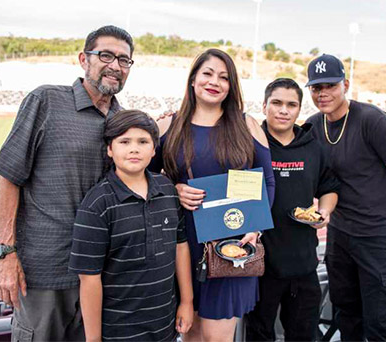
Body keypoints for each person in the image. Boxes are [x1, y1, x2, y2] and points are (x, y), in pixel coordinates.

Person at [0, 25, 132, 341]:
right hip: (44, 273)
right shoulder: (46, 101)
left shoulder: (124, 123)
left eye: (124, 60)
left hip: (99, 275)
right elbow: (9, 178)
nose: (115, 65)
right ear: (84, 59)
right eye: (106, 55)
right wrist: (7, 255)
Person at [149, 48, 275, 342]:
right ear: (193, 79)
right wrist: (174, 190)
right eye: (207, 73)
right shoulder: (168, 125)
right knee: (190, 335)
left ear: (231, 86)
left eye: (224, 77)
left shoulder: (246, 125)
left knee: (217, 337)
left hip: (230, 244)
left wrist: (255, 227)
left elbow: (267, 181)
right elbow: (144, 181)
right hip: (181, 246)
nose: (214, 82)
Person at [69, 110, 193, 341]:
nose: (134, 149)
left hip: (164, 327)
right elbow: (89, 279)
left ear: (154, 149)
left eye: (143, 142)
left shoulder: (167, 189)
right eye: (124, 142)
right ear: (109, 149)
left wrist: (186, 302)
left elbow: (180, 246)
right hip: (118, 331)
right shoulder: (98, 204)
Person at [244, 78, 339, 341]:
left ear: (299, 110)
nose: (283, 110)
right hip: (260, 265)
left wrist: (325, 213)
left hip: (302, 263)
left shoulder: (313, 147)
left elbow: (328, 187)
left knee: (303, 335)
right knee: (259, 334)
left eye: (291, 104)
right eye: (276, 103)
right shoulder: (250, 145)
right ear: (264, 106)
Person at [303, 54, 386, 341]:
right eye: (316, 87)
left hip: (376, 236)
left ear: (345, 85)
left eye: (329, 86)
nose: (323, 93)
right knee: (346, 312)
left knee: (379, 319)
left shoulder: (371, 120)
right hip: (339, 234)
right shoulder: (313, 125)